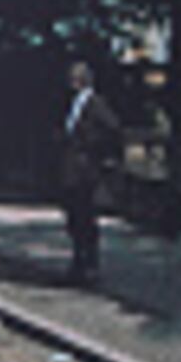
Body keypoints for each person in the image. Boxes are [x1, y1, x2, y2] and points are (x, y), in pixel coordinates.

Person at [58, 59, 122, 286]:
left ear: (83, 80)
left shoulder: (96, 104)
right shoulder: (74, 104)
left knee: (86, 218)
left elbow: (113, 129)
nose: (70, 81)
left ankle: (90, 265)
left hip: (86, 171)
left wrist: (97, 154)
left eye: (74, 77)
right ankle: (78, 263)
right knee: (74, 218)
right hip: (72, 171)